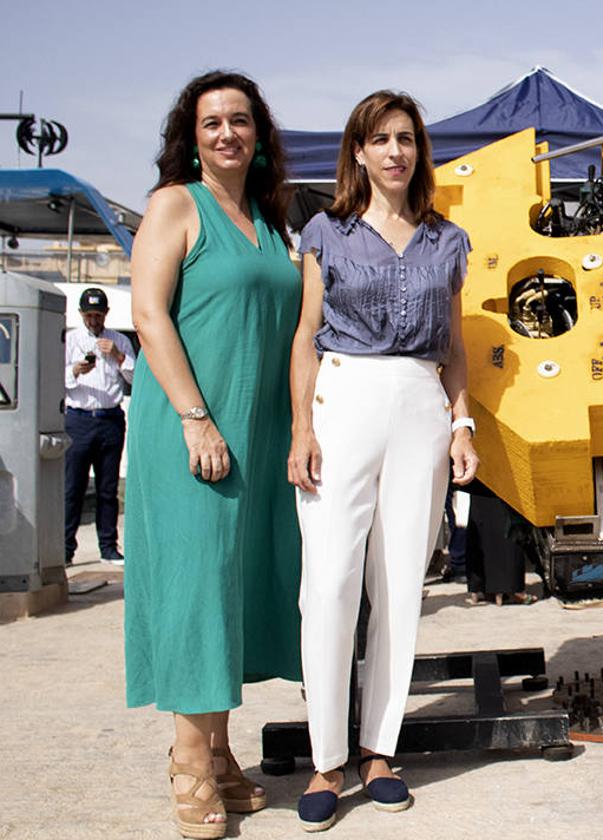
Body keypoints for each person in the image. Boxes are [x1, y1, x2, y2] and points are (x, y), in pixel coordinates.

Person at [288, 90, 478, 832]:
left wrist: (461, 425)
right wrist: (301, 427)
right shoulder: (325, 231)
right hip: (345, 394)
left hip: (420, 404)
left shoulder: (448, 240)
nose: (396, 151)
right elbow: (307, 334)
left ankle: (379, 750)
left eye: (407, 138)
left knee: (401, 585)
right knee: (329, 582)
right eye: (381, 139)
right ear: (358, 152)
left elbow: (456, 347)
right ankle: (325, 759)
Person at [124, 71, 302, 839]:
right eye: (211, 123)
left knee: (233, 590)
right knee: (199, 591)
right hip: (194, 430)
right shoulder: (176, 205)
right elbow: (147, 313)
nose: (226, 133)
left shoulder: (270, 218)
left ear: (259, 133)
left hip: (255, 438)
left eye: (239, 120)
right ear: (191, 139)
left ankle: (222, 751)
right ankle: (190, 762)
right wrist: (196, 419)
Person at [63, 286, 135, 565]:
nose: (94, 321)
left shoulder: (118, 340)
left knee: (108, 488)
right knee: (73, 487)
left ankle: (108, 546)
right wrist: (75, 370)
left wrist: (118, 356)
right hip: (79, 418)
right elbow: (56, 375)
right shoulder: (71, 340)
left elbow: (135, 376)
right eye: (89, 315)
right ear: (82, 315)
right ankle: (66, 547)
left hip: (110, 419)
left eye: (98, 315)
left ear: (106, 314)